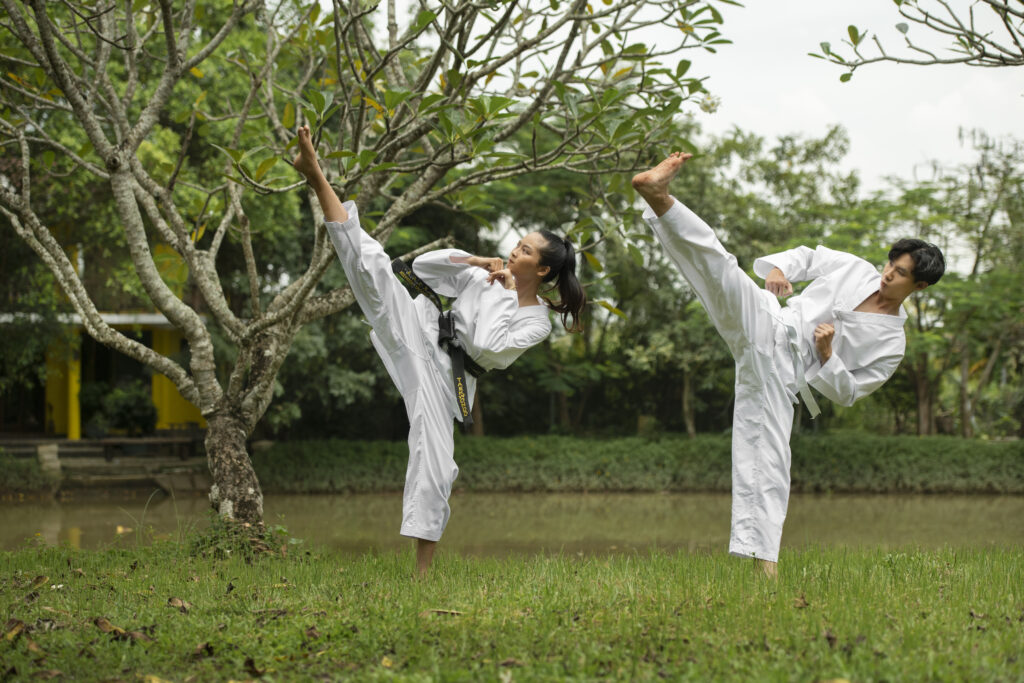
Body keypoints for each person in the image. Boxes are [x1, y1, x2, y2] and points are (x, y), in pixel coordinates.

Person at [632, 152, 945, 577]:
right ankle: (659, 197)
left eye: (901, 272)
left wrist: (829, 356)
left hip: (785, 375)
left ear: (919, 285)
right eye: (891, 263)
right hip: (770, 321)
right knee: (720, 271)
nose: (888, 274)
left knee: (771, 460)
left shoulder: (892, 343)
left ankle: (765, 564)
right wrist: (780, 268)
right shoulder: (855, 268)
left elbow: (851, 392)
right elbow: (807, 256)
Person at [291, 125, 586, 575]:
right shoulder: (485, 273)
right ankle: (317, 178)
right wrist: (473, 261)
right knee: (372, 266)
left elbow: (487, 346)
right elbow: (419, 269)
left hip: (450, 377)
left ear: (542, 269)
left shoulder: (537, 321)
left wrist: (505, 292)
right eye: (516, 244)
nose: (512, 252)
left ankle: (422, 574)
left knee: (436, 463)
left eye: (524, 251)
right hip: (422, 329)